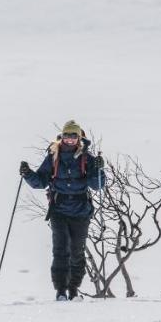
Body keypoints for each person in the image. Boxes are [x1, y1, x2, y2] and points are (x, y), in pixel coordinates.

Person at [20, 120, 106, 301]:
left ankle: (73, 289)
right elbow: (41, 182)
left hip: (81, 211)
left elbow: (97, 185)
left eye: (73, 136)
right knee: (60, 250)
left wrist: (99, 169)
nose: (70, 139)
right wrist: (27, 173)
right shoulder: (53, 157)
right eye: (67, 135)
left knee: (76, 251)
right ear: (62, 137)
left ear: (79, 138)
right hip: (59, 210)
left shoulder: (87, 158)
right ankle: (60, 290)